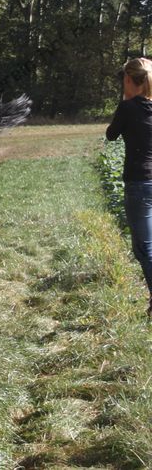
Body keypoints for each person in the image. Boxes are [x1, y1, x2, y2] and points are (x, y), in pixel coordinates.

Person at [105, 57, 152, 318]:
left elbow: (111, 134)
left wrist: (124, 102)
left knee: (144, 249)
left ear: (127, 80)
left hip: (140, 184)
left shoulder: (128, 108)